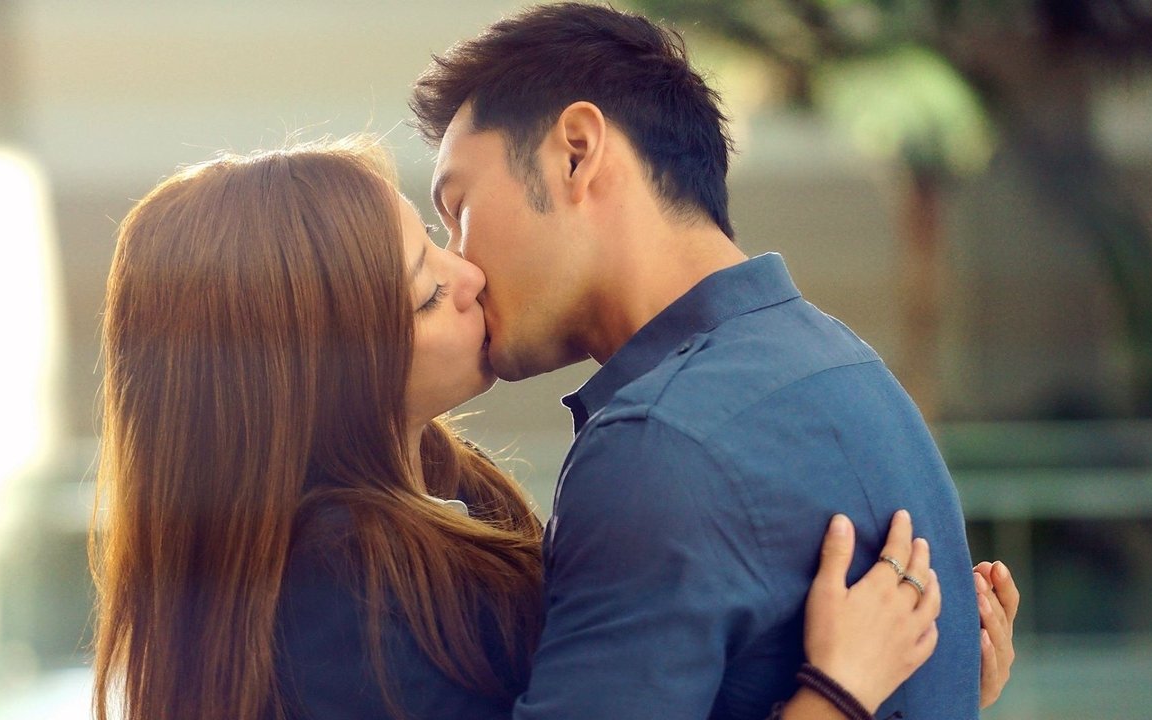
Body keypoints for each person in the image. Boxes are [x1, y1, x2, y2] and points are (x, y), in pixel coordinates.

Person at [90, 137, 1006, 720]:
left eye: (438, 240)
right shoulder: (342, 596)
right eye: (425, 291)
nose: (468, 276)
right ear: (315, 375)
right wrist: (840, 692)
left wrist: (935, 680)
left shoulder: (443, 494)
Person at [408, 3, 1017, 719]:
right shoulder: (855, 373)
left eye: (460, 209)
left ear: (576, 151)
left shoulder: (658, 441)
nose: (461, 263)